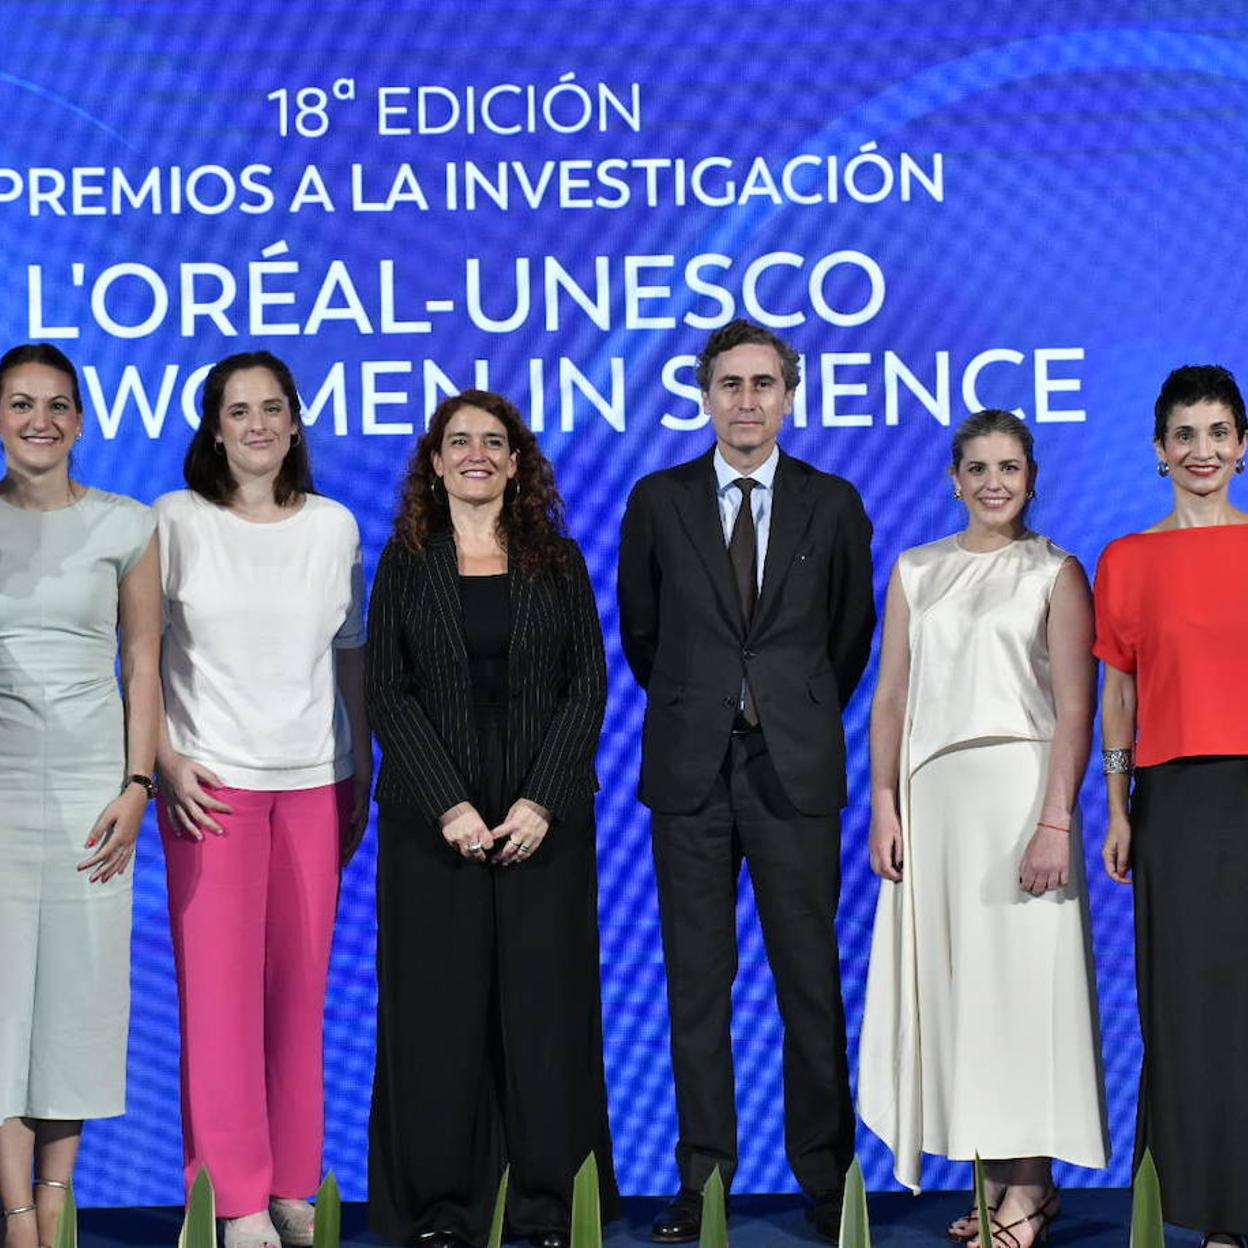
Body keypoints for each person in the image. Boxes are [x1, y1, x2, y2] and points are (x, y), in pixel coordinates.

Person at [616, 319, 875, 1242]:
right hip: (691, 770)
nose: (747, 402)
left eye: (764, 384)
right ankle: (703, 1182)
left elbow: (849, 638)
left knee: (811, 983)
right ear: (704, 396)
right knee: (696, 985)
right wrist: (712, 703)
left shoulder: (832, 502)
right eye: (730, 384)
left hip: (793, 770)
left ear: (790, 395)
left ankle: (827, 1182)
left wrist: (783, 706)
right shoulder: (659, 500)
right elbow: (644, 635)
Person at [366, 389, 617, 1248]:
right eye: (458, 441)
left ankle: (550, 1205)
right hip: (432, 829)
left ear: (517, 463)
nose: (476, 453)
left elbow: (588, 685)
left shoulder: (560, 560)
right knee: (438, 1017)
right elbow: (386, 694)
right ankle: (443, 1209)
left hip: (543, 824)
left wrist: (540, 799)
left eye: (494, 442)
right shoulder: (405, 560)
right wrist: (451, 806)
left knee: (546, 1016)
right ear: (434, 463)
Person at [858, 409, 1109, 1246]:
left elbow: (1077, 706)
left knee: (1023, 998)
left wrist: (1055, 820)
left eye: (1009, 467)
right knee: (967, 999)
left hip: (1020, 800)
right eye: (978, 468)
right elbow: (890, 696)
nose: (994, 482)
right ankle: (1005, 1183)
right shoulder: (915, 572)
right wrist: (885, 804)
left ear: (1031, 478)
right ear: (953, 479)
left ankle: (1031, 1188)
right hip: (936, 809)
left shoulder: (1056, 572)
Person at [154, 350, 369, 1248]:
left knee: (299, 996)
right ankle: (233, 1198)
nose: (258, 426)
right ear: (214, 427)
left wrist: (360, 767)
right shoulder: (173, 522)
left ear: (294, 422)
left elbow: (350, 653)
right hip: (209, 787)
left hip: (316, 784)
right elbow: (132, 654)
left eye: (273, 408)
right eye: (238, 411)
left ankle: (290, 1183)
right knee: (220, 1002)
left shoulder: (334, 527)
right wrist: (162, 757)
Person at [0, 344, 160, 1248]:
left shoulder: (126, 524)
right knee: (2, 1011)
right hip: (2, 790)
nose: (40, 421)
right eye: (21, 404)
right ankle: (17, 1213)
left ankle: (58, 1199)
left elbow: (143, 659)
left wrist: (137, 784)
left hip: (96, 796)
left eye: (58, 405)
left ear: (82, 420)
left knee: (75, 1005)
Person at [1095, 365, 1248, 1246]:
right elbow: (1119, 698)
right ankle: (1213, 1211)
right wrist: (1118, 806)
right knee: (1188, 1005)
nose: (1203, 451)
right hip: (1177, 803)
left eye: (1218, 432)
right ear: (1159, 451)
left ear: (1242, 446)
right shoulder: (1128, 561)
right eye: (1185, 435)